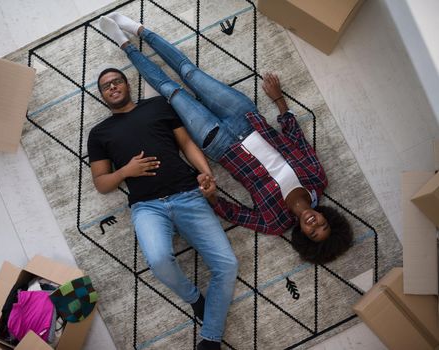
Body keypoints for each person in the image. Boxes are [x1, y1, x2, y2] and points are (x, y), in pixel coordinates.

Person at [97, 13, 353, 266]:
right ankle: (139, 30)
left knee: (169, 90)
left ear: (304, 236)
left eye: (313, 234)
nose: (314, 225)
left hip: (219, 144)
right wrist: (278, 100)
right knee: (189, 72)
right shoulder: (317, 180)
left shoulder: (274, 222)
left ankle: (125, 45)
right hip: (245, 118)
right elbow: (298, 140)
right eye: (323, 225)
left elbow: (231, 212)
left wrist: (210, 196)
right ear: (326, 217)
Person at [88, 33, 238, 350]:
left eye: (117, 81)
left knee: (227, 265)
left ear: (127, 85)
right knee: (157, 260)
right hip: (147, 207)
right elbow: (101, 184)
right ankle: (195, 298)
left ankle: (210, 338)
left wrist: (206, 173)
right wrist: (125, 172)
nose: (113, 86)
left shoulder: (157, 106)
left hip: (188, 194)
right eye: (106, 86)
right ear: (102, 95)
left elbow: (186, 143)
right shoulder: (99, 133)